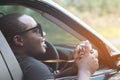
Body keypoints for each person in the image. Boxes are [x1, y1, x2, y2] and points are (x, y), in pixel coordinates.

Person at [0, 13, 99, 80]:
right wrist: (85, 71)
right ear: (18, 40)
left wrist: (74, 69)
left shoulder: (15, 64)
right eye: (36, 30)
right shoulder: (32, 66)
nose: (44, 33)